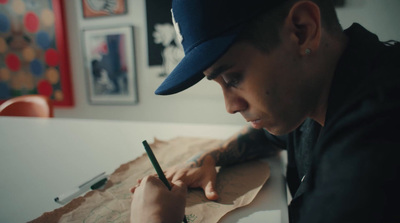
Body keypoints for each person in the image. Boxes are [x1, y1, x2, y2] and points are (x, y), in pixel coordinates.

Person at [130, 0, 400, 222]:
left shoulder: (372, 149)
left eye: (233, 78)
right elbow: (263, 136)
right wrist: (207, 159)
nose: (230, 106)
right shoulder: (316, 96)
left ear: (302, 29)